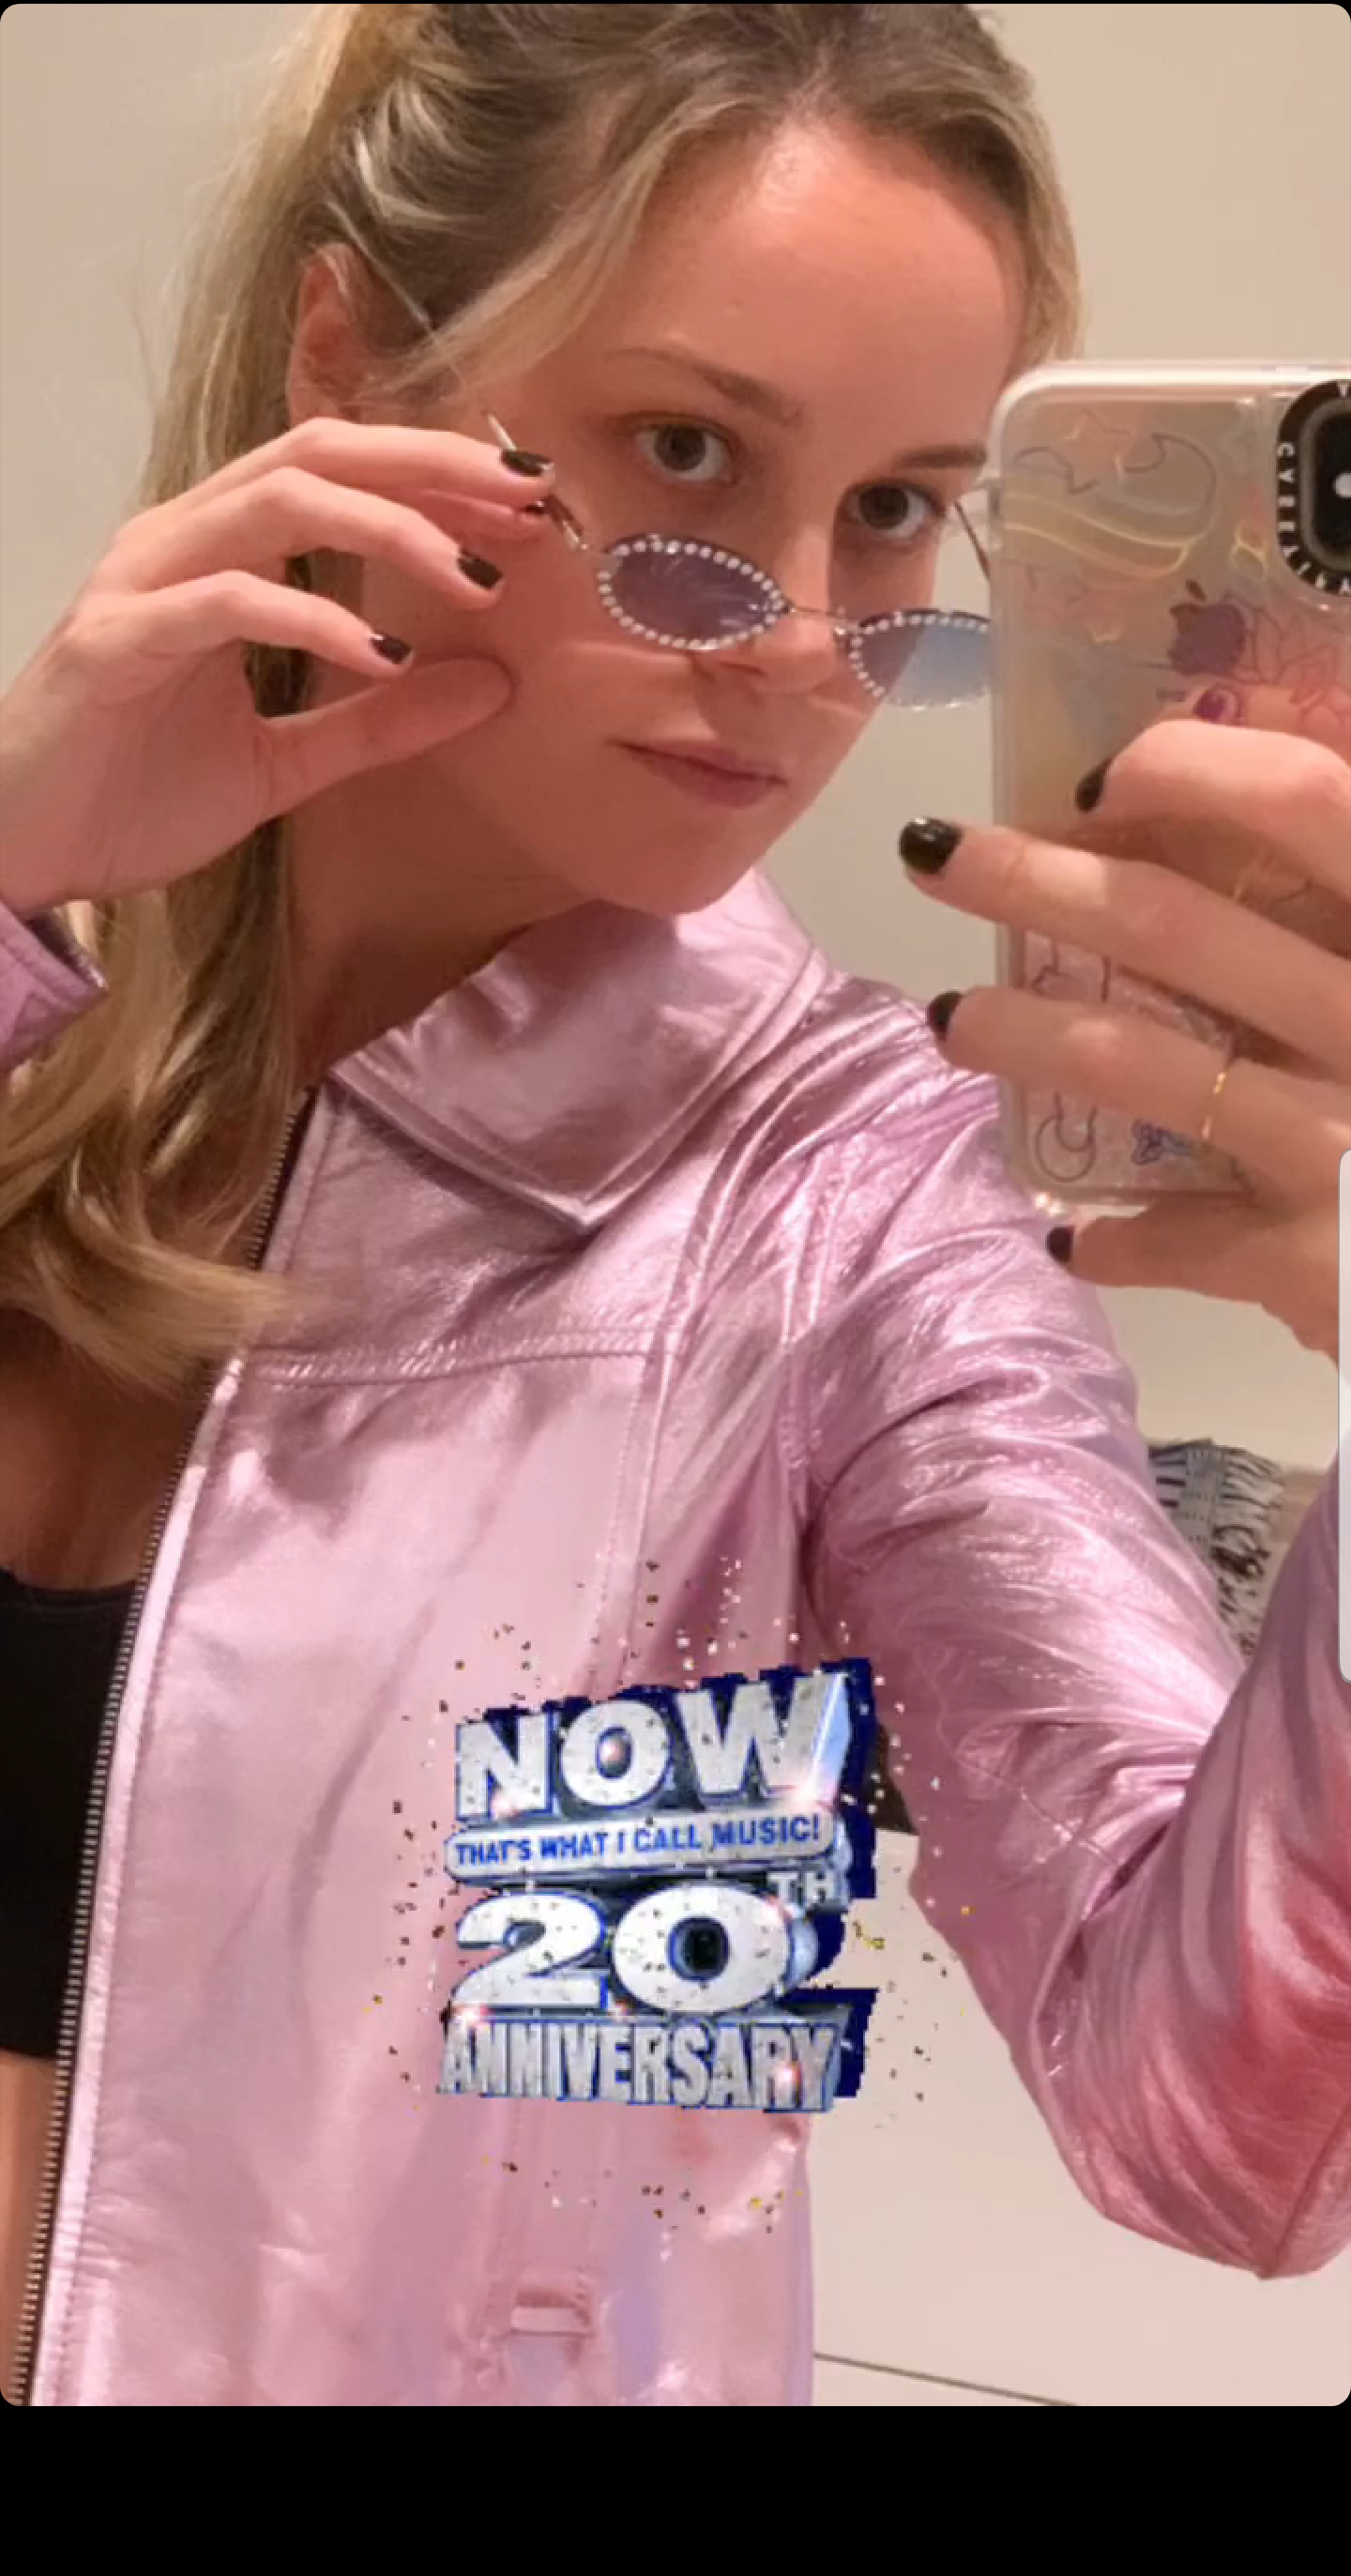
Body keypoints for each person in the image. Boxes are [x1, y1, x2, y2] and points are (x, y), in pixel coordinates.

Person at [0, 1, 1345, 2411]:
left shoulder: (848, 1230)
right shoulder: (36, 985)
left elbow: (1227, 2133)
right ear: (351, 359)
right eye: (693, 451)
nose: (808, 641)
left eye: (900, 510)